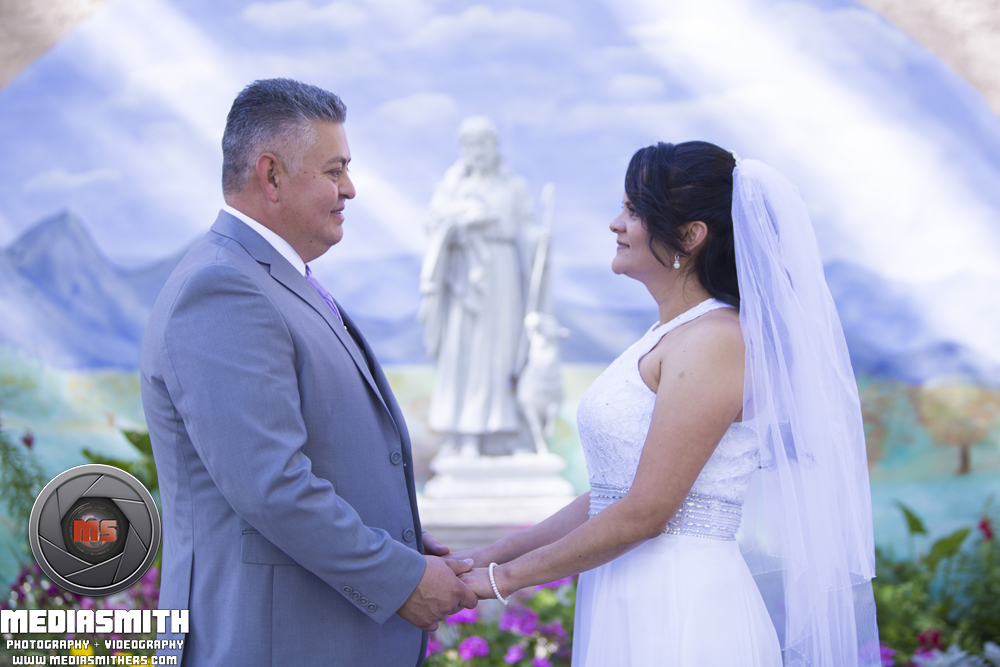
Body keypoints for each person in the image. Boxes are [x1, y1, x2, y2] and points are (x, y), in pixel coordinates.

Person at [453, 141, 879, 666]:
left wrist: (501, 582)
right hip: (628, 585)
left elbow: (648, 510)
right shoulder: (669, 334)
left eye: (634, 210)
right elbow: (612, 495)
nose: (616, 223)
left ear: (690, 235)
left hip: (681, 604)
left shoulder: (717, 341)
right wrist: (484, 558)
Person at [140, 78, 477, 666]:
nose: (350, 189)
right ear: (270, 175)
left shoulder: (269, 279)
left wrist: (390, 532)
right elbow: (271, 486)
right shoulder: (222, 289)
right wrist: (399, 578)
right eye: (334, 170)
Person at [418, 116, 536, 458]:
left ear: (494, 146)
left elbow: (524, 227)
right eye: (469, 144)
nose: (476, 151)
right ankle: (466, 434)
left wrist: (536, 239)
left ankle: (503, 433)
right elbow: (433, 221)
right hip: (463, 276)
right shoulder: (453, 184)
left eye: (482, 143)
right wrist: (459, 219)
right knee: (465, 353)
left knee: (501, 351)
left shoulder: (512, 187)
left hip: (501, 275)